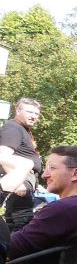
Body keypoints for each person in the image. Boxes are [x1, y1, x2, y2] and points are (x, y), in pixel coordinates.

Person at [0, 98, 43, 231]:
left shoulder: (22, 129)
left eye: (36, 114)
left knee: (14, 224)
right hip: (19, 181)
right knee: (22, 223)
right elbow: (3, 156)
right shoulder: (13, 128)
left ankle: (9, 244)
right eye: (29, 112)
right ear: (18, 111)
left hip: (24, 180)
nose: (33, 116)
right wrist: (18, 183)